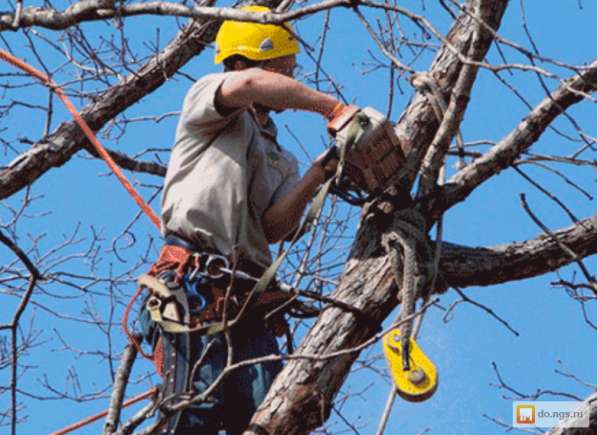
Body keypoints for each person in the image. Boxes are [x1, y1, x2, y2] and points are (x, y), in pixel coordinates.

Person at [141, 5, 352, 434]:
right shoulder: (209, 101)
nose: (291, 80)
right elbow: (251, 84)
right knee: (195, 409)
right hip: (195, 286)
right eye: (284, 70)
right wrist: (333, 108)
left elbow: (276, 228)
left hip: (248, 304)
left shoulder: (279, 156)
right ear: (250, 58)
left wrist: (321, 171)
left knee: (267, 418)